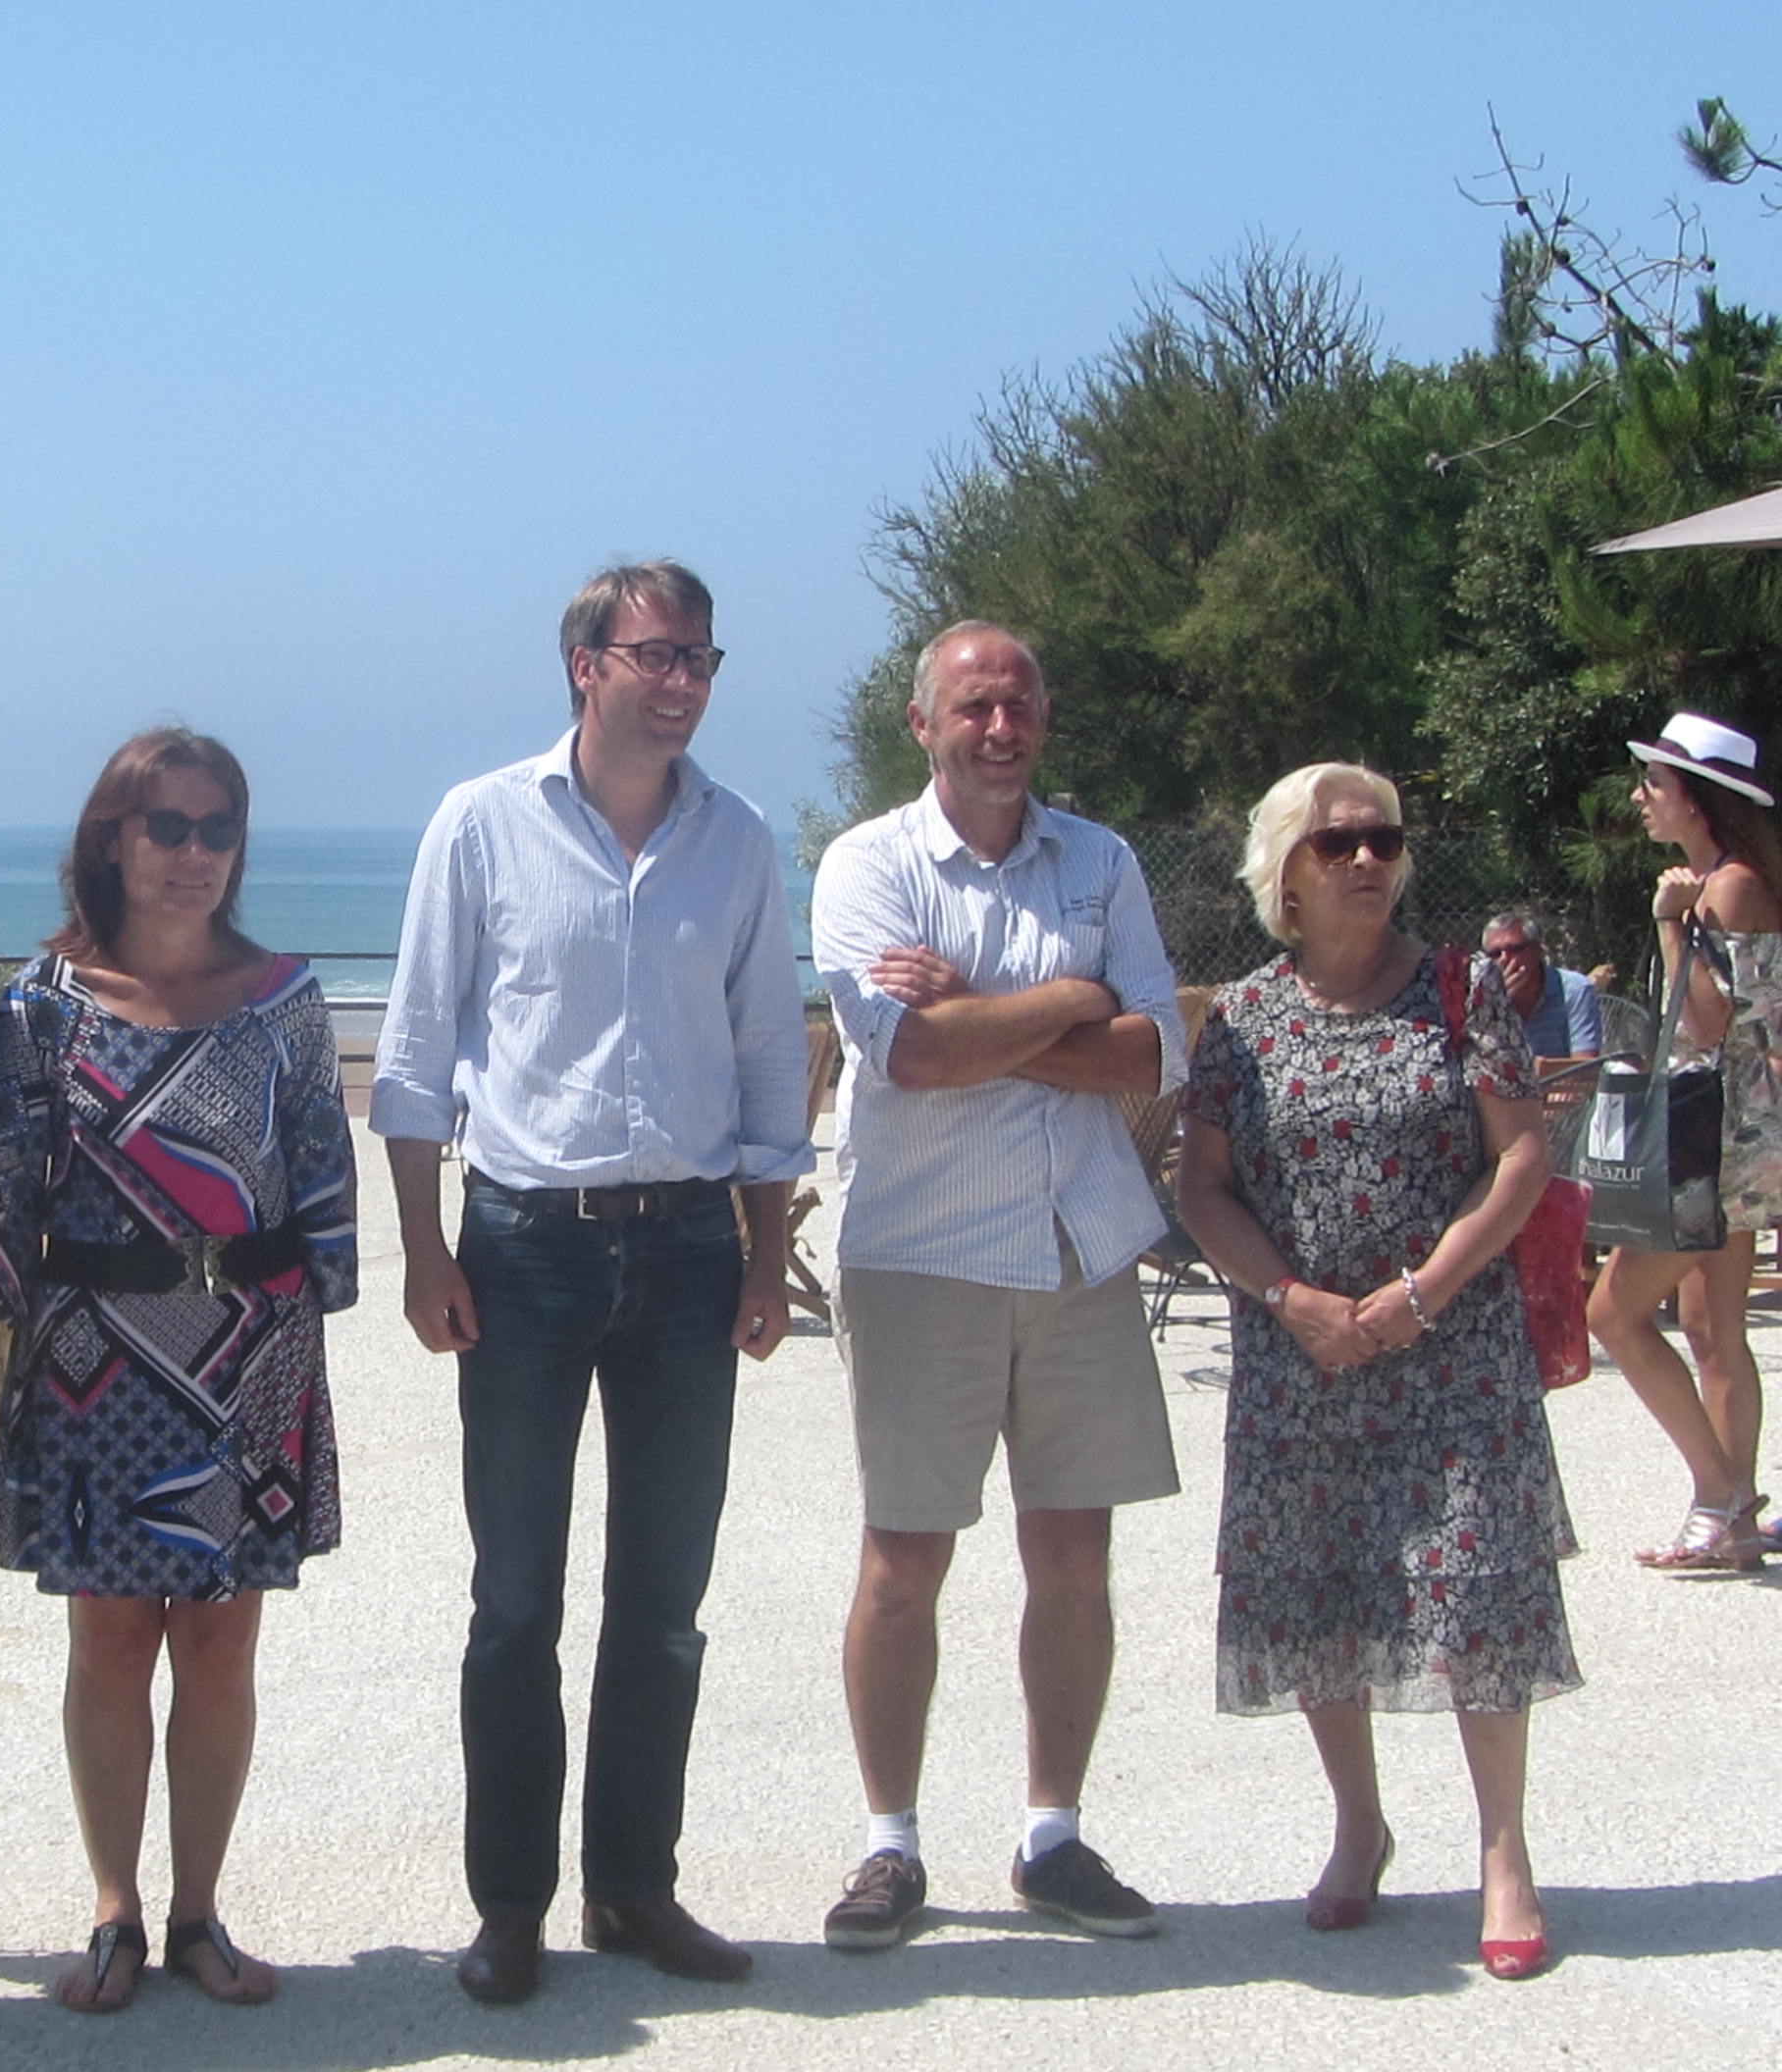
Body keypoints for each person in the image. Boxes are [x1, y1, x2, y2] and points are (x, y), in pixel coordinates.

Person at [372, 559, 811, 2004]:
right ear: (586, 664)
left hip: (690, 1248)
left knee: (666, 1599)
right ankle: (511, 1906)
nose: (680, 680)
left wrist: (764, 1256)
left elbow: (764, 1066)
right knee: (513, 1601)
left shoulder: (739, 842)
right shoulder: (483, 823)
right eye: (655, 654)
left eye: (700, 657)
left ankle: (635, 1888)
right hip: (525, 1246)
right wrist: (426, 1246)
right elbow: (420, 1049)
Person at [811, 620, 1182, 1953]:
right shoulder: (869, 866)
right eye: (974, 704)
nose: (1000, 725)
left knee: (1074, 1559)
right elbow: (907, 1054)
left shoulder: (1102, 860)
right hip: (921, 1252)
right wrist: (1071, 996)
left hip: (1078, 1243)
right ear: (925, 723)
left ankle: (1052, 1835)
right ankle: (889, 1844)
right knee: (905, 1561)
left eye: (1019, 700)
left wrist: (993, 1006)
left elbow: (1152, 1057)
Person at [0, 729, 357, 2012]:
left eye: (216, 828)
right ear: (114, 839)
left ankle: (198, 1912)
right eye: (167, 826)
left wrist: (307, 1342)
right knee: (108, 1638)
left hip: (248, 1355)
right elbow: (7, 1191)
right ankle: (114, 1911)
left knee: (223, 1642)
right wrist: (17, 1340)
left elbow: (318, 1179)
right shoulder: (42, 1003)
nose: (193, 853)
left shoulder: (285, 999)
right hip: (95, 1363)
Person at [1179, 761, 1576, 1981]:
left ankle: (1502, 1853)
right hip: (1302, 1359)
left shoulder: (1458, 993)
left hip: (1450, 1354)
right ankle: (1358, 1823)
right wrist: (1292, 1302)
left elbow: (1518, 1161)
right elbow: (1199, 1188)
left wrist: (1421, 1295)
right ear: (1282, 871)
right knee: (1318, 1589)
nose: (1365, 860)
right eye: (1335, 841)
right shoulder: (1240, 1018)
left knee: (1471, 1590)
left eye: (1383, 840)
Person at [1584, 713, 1782, 1571]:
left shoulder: (1726, 888)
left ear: (1696, 800)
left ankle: (1720, 1494)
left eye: (1654, 784)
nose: (1640, 797)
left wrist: (1673, 924)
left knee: (1614, 1312)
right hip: (1734, 1134)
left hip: (1716, 1141)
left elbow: (1710, 1020)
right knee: (1708, 1322)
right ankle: (1730, 1519)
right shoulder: (1725, 878)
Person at [1481, 910, 1601, 1062]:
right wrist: (1503, 1008)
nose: (1504, 959)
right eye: (1495, 953)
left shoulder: (1575, 989)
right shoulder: (1482, 998)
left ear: (1536, 950)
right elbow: (1484, 1065)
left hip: (1561, 1082)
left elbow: (1585, 1067)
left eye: (1515, 949)